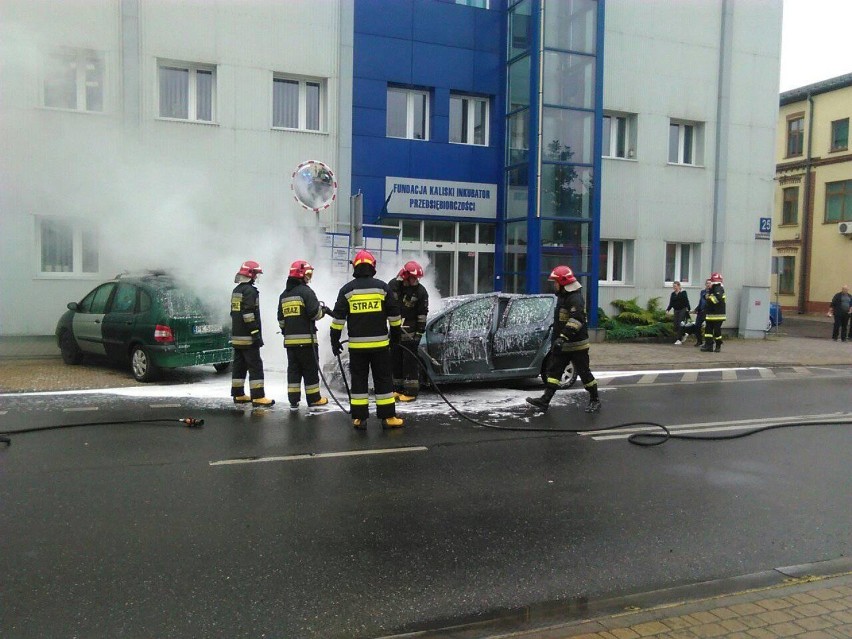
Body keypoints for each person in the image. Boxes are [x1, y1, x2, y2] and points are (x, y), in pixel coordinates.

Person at [329, 250, 404, 429]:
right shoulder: (382, 287)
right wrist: (395, 339)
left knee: (359, 381)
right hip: (380, 347)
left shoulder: (347, 290)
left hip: (357, 348)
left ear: (355, 267)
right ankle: (388, 418)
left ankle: (359, 418)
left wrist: (334, 340)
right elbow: (395, 316)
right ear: (372, 266)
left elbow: (338, 319)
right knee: (383, 380)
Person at [526, 265, 601, 413]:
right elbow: (562, 318)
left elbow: (576, 320)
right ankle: (545, 401)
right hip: (563, 344)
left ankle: (595, 399)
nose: (554, 285)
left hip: (576, 345)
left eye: (556, 282)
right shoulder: (564, 296)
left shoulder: (575, 298)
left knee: (584, 373)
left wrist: (563, 337)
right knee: (554, 373)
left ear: (563, 282)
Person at [278, 260, 332, 410]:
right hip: (307, 342)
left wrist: (287, 331)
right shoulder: (306, 292)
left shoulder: (284, 295)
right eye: (308, 274)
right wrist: (324, 312)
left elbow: (281, 319)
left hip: (290, 343)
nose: (309, 277)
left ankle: (294, 399)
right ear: (300, 275)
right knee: (310, 370)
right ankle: (314, 399)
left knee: (294, 371)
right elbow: (314, 313)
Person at [230, 260, 274, 407]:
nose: (257, 277)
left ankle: (238, 394)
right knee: (255, 366)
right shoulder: (250, 291)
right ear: (250, 274)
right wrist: (255, 334)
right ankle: (258, 396)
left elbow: (233, 313)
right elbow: (248, 314)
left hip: (237, 336)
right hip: (248, 337)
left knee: (239, 365)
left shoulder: (236, 290)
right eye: (256, 274)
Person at [389, 260, 429, 402]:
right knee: (395, 361)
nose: (415, 281)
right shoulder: (393, 286)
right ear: (405, 276)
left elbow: (422, 315)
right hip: (394, 331)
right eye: (413, 278)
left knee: (410, 363)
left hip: (410, 333)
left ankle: (411, 392)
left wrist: (419, 334)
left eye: (417, 279)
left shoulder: (421, 292)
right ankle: (397, 389)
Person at [700, 272, 726, 352]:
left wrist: (708, 298)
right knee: (708, 331)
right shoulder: (714, 288)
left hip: (717, 315)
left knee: (717, 331)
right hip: (711, 314)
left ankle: (718, 346)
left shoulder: (718, 288)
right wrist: (707, 296)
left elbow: (716, 299)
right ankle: (709, 346)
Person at [692, 278, 712, 347]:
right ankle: (699, 341)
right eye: (707, 283)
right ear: (705, 284)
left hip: (708, 312)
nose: (708, 285)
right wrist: (697, 309)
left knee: (708, 328)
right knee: (697, 326)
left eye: (709, 283)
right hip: (701, 311)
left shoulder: (712, 292)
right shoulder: (702, 292)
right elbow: (701, 301)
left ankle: (708, 342)